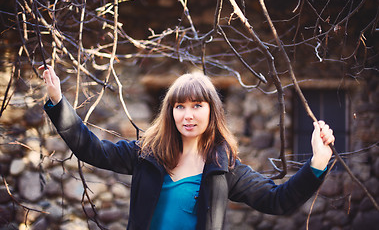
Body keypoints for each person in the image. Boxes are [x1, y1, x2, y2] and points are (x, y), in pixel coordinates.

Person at [41, 65, 335, 230]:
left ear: (212, 111)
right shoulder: (146, 154)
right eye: (180, 106)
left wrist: (317, 164)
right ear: (170, 112)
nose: (188, 114)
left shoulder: (224, 167)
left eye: (197, 105)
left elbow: (277, 200)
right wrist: (57, 101)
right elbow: (91, 149)